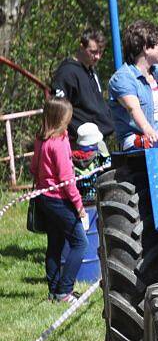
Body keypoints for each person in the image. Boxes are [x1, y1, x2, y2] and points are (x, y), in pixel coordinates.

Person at [30, 96, 89, 303]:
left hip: (45, 198)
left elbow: (33, 168)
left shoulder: (41, 140)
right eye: (68, 117)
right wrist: (80, 208)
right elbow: (66, 180)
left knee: (54, 245)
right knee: (80, 243)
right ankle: (64, 291)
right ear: (60, 118)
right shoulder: (59, 144)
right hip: (60, 199)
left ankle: (54, 291)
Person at [108, 20, 158, 150]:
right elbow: (133, 109)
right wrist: (147, 129)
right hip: (137, 137)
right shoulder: (123, 78)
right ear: (146, 48)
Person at [51, 28, 114, 143]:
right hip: (80, 144)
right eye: (93, 52)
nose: (98, 57)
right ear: (81, 47)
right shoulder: (67, 72)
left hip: (98, 139)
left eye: (100, 52)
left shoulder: (91, 71)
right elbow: (58, 109)